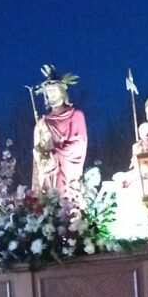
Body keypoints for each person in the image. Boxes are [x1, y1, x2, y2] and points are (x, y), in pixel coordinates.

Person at [32, 65, 87, 200]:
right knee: (47, 202)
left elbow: (79, 143)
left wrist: (56, 154)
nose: (51, 95)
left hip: (64, 169)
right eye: (48, 92)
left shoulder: (76, 115)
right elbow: (37, 152)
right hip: (47, 172)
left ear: (62, 92)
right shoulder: (42, 123)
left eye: (54, 91)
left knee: (62, 199)